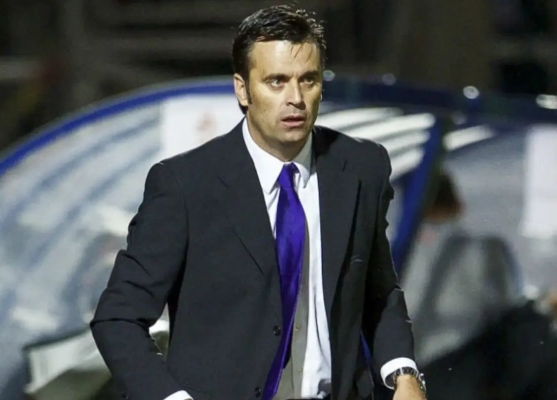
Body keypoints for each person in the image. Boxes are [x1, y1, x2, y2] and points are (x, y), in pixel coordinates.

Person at [90, 5, 425, 400]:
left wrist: (403, 373)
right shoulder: (186, 185)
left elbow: (379, 292)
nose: (295, 98)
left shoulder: (361, 169)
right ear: (242, 89)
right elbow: (119, 317)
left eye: (308, 80)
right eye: (276, 81)